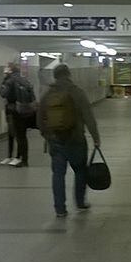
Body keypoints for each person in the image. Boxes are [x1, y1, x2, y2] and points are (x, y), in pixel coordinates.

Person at [35, 64, 100, 218]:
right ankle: (80, 202)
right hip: (76, 139)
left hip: (55, 141)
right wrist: (96, 137)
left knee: (58, 175)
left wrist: (48, 136)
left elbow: (39, 120)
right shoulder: (77, 92)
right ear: (69, 74)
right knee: (80, 171)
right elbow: (89, 118)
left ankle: (60, 209)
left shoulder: (47, 94)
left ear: (55, 76)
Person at [0, 62, 34, 167]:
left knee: (14, 134)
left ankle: (15, 158)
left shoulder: (9, 81)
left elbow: (3, 94)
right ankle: (20, 157)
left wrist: (3, 84)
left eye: (6, 67)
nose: (4, 68)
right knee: (21, 135)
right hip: (24, 110)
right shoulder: (24, 79)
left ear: (10, 69)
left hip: (13, 110)